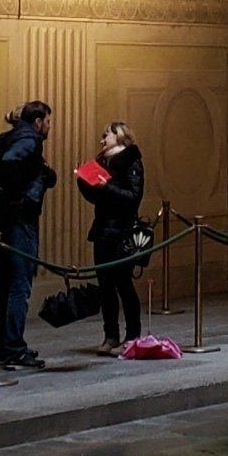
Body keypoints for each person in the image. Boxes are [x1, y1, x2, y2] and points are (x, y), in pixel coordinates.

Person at [0, 100, 55, 371]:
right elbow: (10, 163)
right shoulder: (29, 140)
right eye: (48, 121)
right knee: (19, 285)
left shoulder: (6, 137)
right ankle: (13, 349)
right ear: (38, 122)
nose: (49, 127)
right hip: (20, 221)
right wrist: (18, 196)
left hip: (3, 221)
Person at [77, 121, 146, 354]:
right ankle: (111, 336)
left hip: (122, 231)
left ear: (120, 136)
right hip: (103, 230)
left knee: (124, 284)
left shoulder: (131, 162)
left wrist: (107, 187)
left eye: (106, 135)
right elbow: (97, 198)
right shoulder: (104, 162)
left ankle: (133, 335)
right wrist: (84, 182)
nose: (102, 140)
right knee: (106, 286)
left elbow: (133, 197)